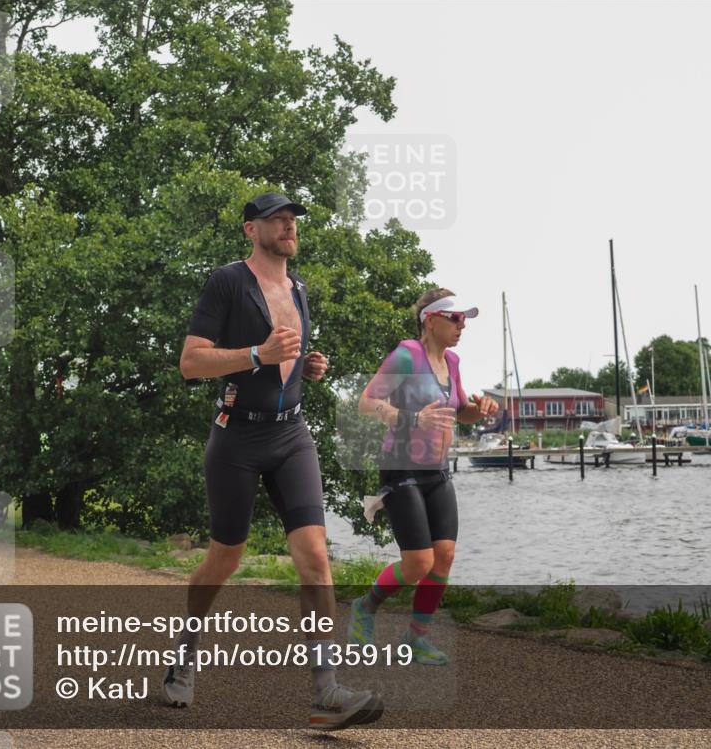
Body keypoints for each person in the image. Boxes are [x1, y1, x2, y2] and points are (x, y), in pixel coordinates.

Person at [166, 192, 382, 729]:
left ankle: (326, 693)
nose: (289, 226)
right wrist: (257, 355)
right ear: (250, 230)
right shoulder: (227, 282)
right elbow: (190, 363)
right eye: (276, 220)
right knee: (225, 558)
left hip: (292, 436)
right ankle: (185, 650)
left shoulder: (299, 289)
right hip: (236, 438)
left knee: (315, 557)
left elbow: (281, 362)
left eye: (292, 220)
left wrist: (303, 367)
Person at [349, 289, 498, 665]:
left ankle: (416, 638)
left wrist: (479, 410)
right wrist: (412, 418)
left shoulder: (452, 361)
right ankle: (365, 607)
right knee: (418, 562)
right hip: (402, 467)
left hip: (438, 471)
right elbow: (366, 402)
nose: (462, 326)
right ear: (430, 320)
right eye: (455, 318)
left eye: (464, 319)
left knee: (444, 557)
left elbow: (460, 410)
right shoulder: (407, 356)